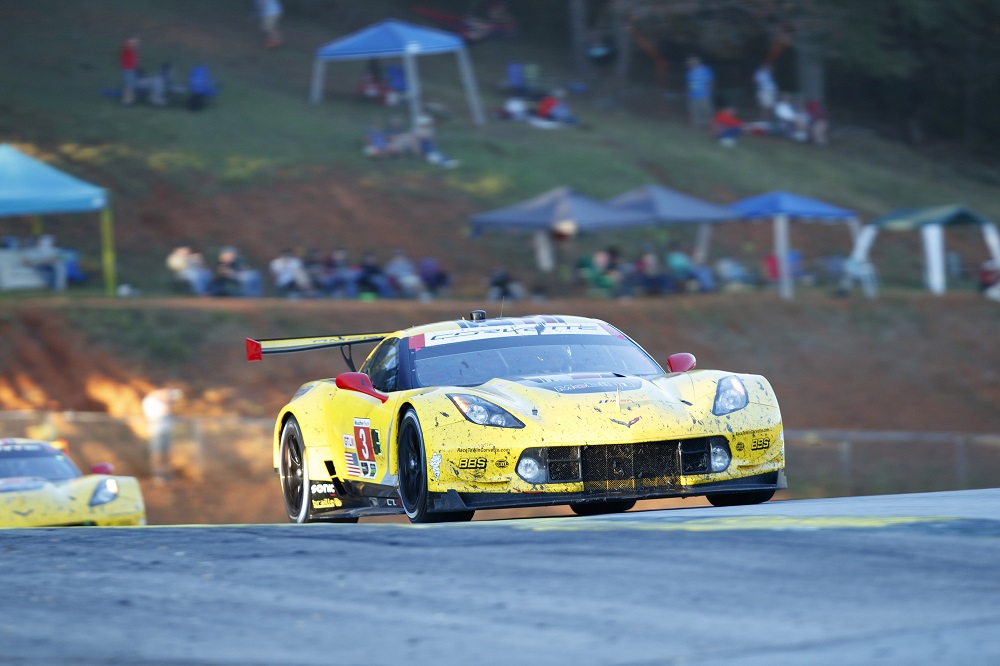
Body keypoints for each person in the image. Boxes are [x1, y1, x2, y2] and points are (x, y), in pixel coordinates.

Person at [142, 387, 182, 482]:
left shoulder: (161, 400)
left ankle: (166, 473)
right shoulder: (150, 401)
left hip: (166, 430)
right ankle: (157, 474)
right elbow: (165, 411)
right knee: (157, 452)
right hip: (157, 431)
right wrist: (167, 402)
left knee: (167, 452)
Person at [685, 56, 714, 127]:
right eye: (690, 63)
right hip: (693, 95)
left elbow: (710, 81)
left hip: (704, 94)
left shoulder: (705, 70)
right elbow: (689, 83)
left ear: (697, 62)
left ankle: (711, 124)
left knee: (706, 110)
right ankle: (697, 124)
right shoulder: (689, 72)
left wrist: (708, 92)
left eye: (693, 62)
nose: (691, 64)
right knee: (694, 110)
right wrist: (688, 92)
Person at [120, 35, 140, 106]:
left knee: (132, 85)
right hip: (128, 69)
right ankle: (127, 102)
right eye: (135, 41)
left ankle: (131, 101)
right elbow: (127, 46)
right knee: (129, 86)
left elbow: (134, 60)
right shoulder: (127, 46)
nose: (137, 43)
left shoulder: (133, 49)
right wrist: (132, 43)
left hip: (132, 69)